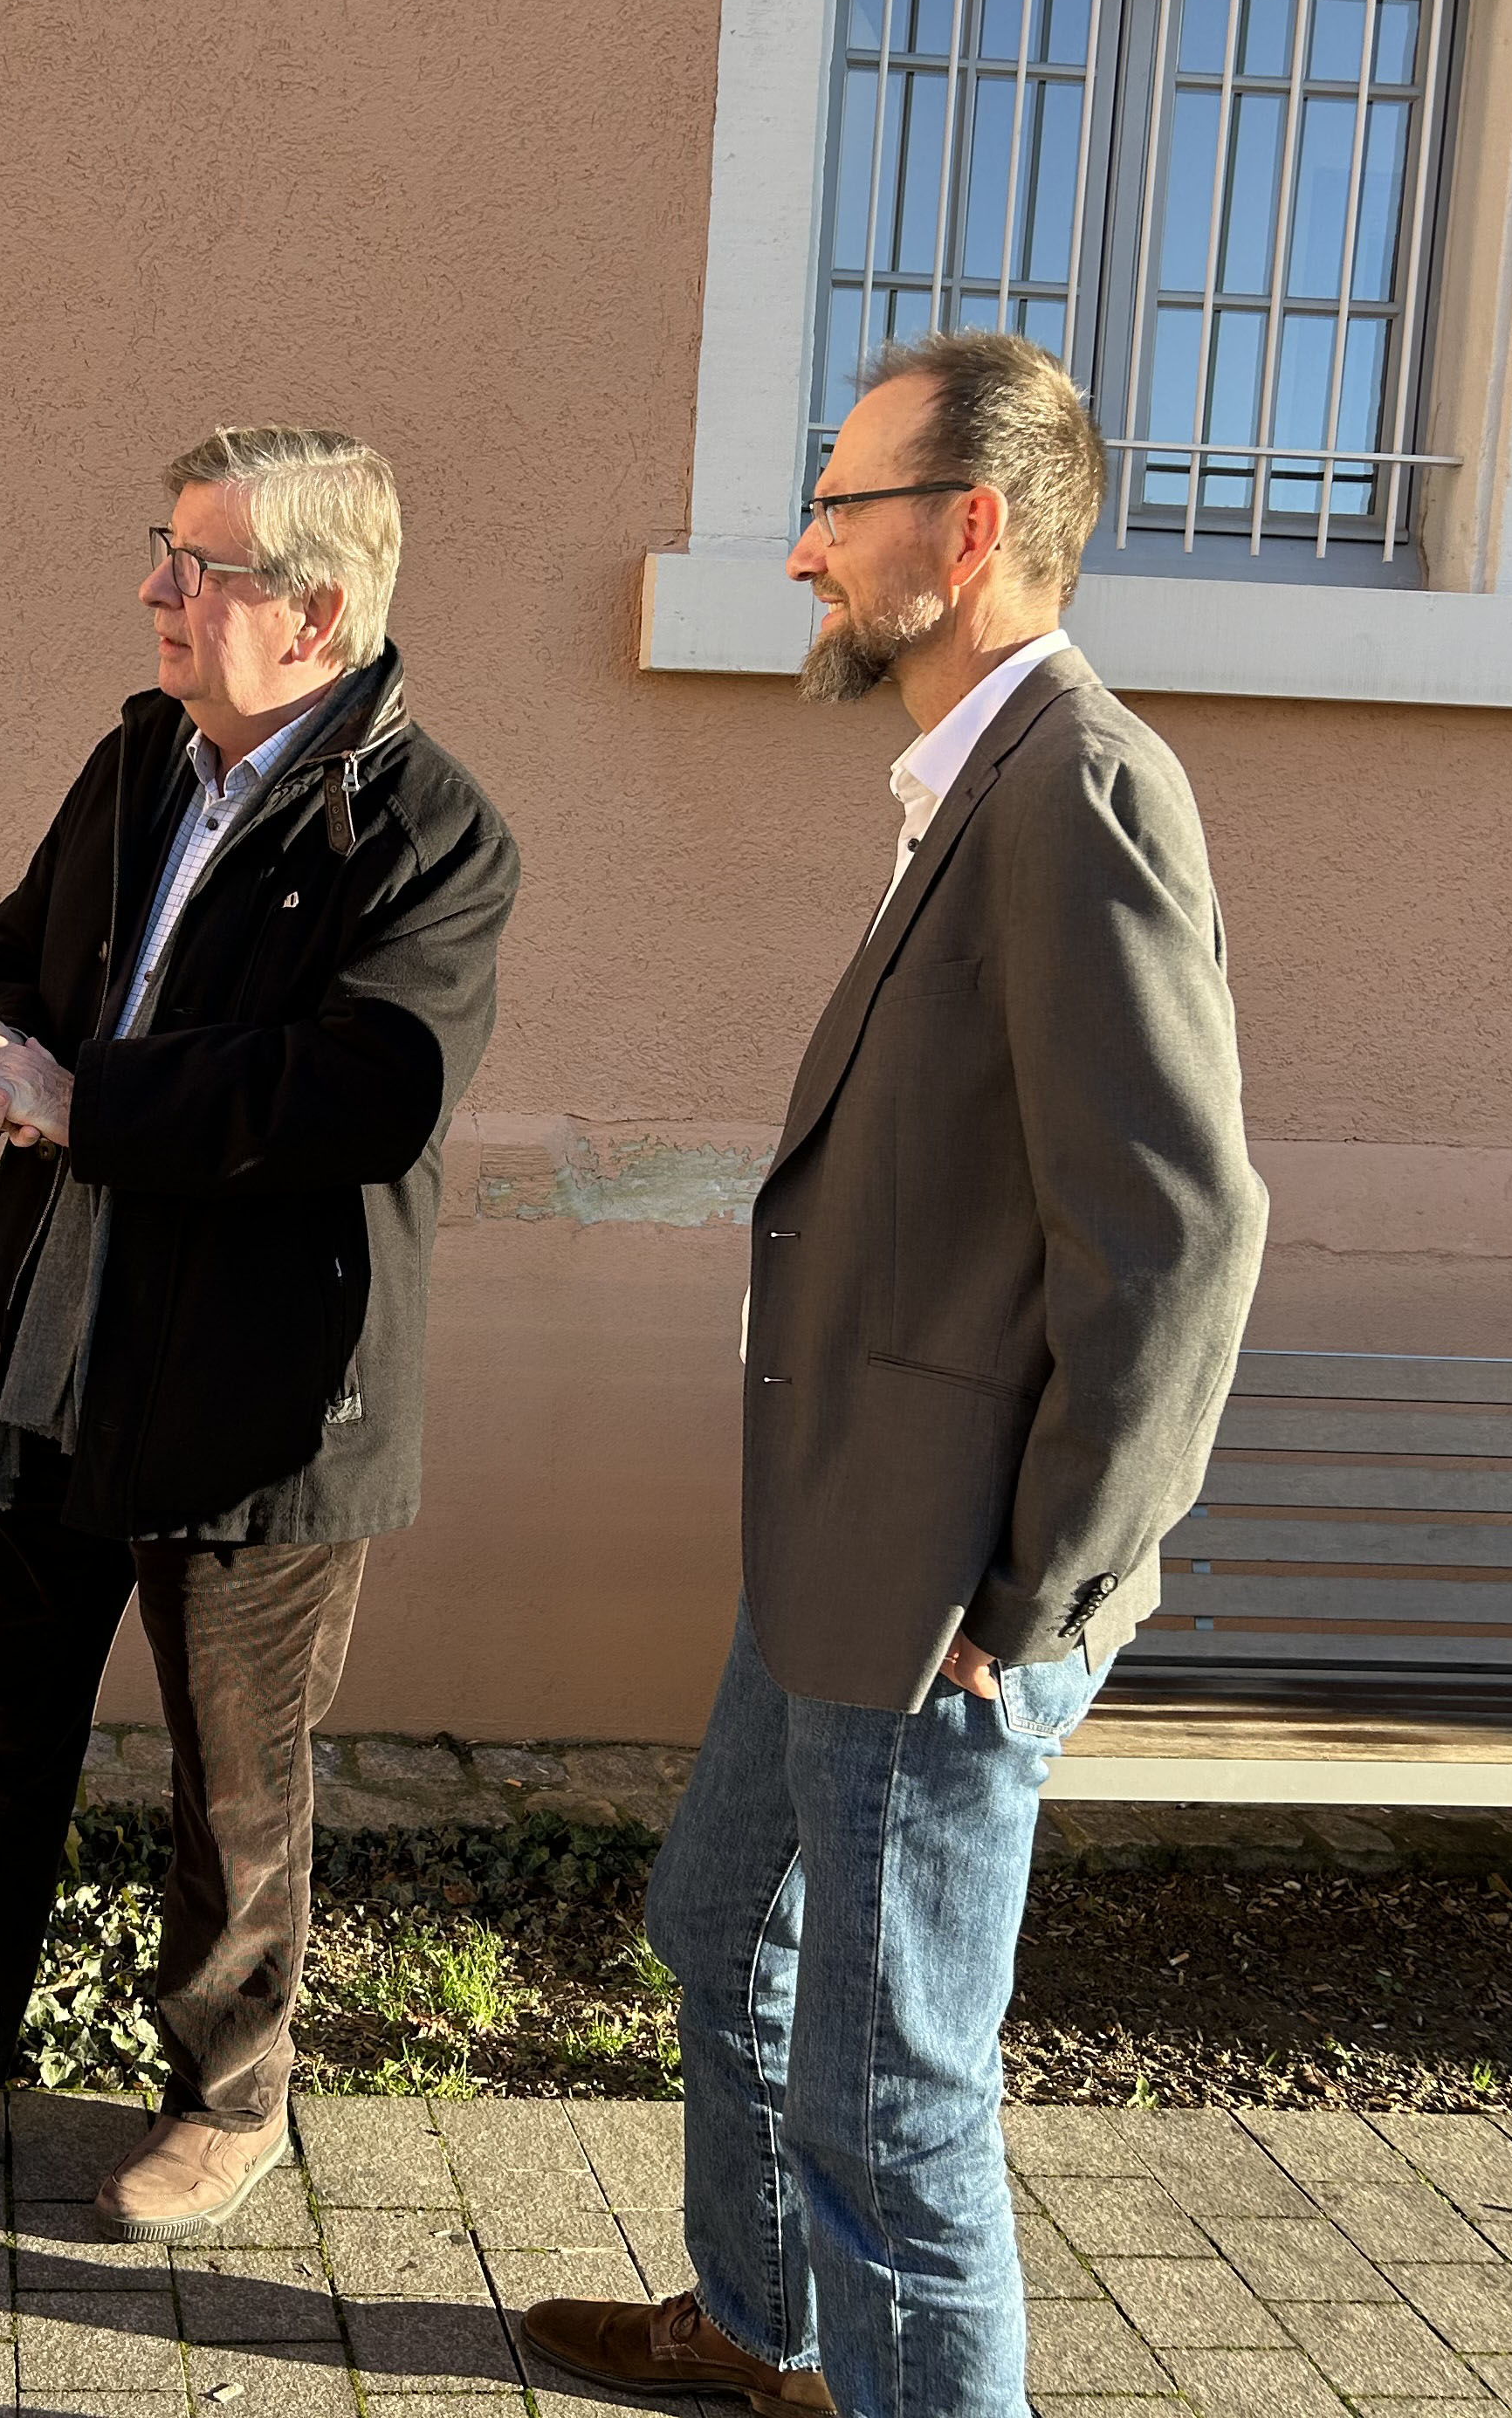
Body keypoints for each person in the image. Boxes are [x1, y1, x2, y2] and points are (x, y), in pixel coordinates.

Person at [521, 331, 1267, 2418]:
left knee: (892, 2099)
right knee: (711, 1920)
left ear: (972, 527)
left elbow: (1180, 1237)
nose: (802, 558)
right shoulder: (973, 793)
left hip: (945, 1590)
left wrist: (1038, 1600)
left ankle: (884, 2365)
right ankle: (773, 2334)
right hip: (845, 1543)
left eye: (839, 512)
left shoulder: (1081, 786)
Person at [0, 425, 519, 2237]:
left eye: (199, 564)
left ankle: (228, 2100)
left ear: (317, 611)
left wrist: (77, 1093)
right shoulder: (138, 762)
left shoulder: (433, 836)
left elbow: (350, 1098)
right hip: (61, 1359)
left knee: (237, 1785)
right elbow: (19, 947)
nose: (154, 590)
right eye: (160, 551)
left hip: (262, 1407)